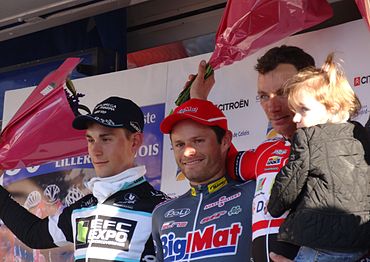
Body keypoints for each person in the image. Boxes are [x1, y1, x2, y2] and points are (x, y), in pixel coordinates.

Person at [0, 96, 168, 261]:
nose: (95, 151)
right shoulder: (84, 208)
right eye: (90, 140)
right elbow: (34, 234)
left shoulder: (160, 209)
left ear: (135, 141)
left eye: (106, 139)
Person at [189, 45, 315, 261]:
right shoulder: (266, 153)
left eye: (283, 93)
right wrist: (198, 101)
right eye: (264, 96)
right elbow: (219, 158)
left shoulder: (340, 144)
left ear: (313, 88)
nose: (272, 107)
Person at [267, 53, 370, 261]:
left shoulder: (308, 137)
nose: (296, 118)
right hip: (362, 241)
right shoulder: (360, 134)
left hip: (322, 244)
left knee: (278, 255)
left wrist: (274, 206)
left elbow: (287, 187)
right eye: (294, 110)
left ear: (333, 107)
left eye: (303, 110)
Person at [151, 98, 256, 261]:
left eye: (198, 141)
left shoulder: (254, 194)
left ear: (225, 141)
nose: (187, 152)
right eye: (179, 144)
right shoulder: (161, 213)